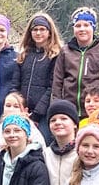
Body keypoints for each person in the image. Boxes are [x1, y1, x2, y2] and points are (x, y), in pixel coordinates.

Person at [52, 7, 99, 118]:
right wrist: (56, 106)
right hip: (69, 109)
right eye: (78, 26)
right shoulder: (65, 51)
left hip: (96, 110)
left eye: (86, 25)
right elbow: (57, 81)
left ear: (93, 27)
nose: (82, 29)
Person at [11, 12, 63, 141]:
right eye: (35, 29)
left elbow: (52, 87)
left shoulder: (55, 56)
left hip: (43, 114)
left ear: (50, 32)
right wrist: (19, 107)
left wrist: (36, 114)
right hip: (22, 112)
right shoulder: (23, 55)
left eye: (42, 29)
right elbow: (15, 85)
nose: (38, 33)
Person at [0, 91, 46, 155]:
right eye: (8, 105)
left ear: (25, 110)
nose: (11, 109)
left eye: (16, 106)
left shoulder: (33, 131)